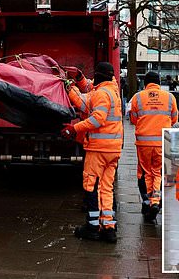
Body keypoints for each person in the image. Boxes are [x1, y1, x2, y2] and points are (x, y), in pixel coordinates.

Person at [63, 62, 123, 243]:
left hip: (99, 148)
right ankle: (108, 227)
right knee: (106, 187)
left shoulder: (102, 94)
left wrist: (74, 129)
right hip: (112, 149)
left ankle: (92, 226)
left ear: (99, 75)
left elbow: (97, 118)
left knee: (91, 185)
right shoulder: (111, 90)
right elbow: (84, 99)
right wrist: (73, 85)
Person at [129, 71, 178, 223]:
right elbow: (174, 118)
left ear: (146, 83)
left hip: (144, 142)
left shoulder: (137, 97)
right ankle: (155, 201)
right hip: (161, 141)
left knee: (144, 173)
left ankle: (147, 202)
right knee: (157, 172)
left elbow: (133, 119)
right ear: (159, 83)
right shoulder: (170, 97)